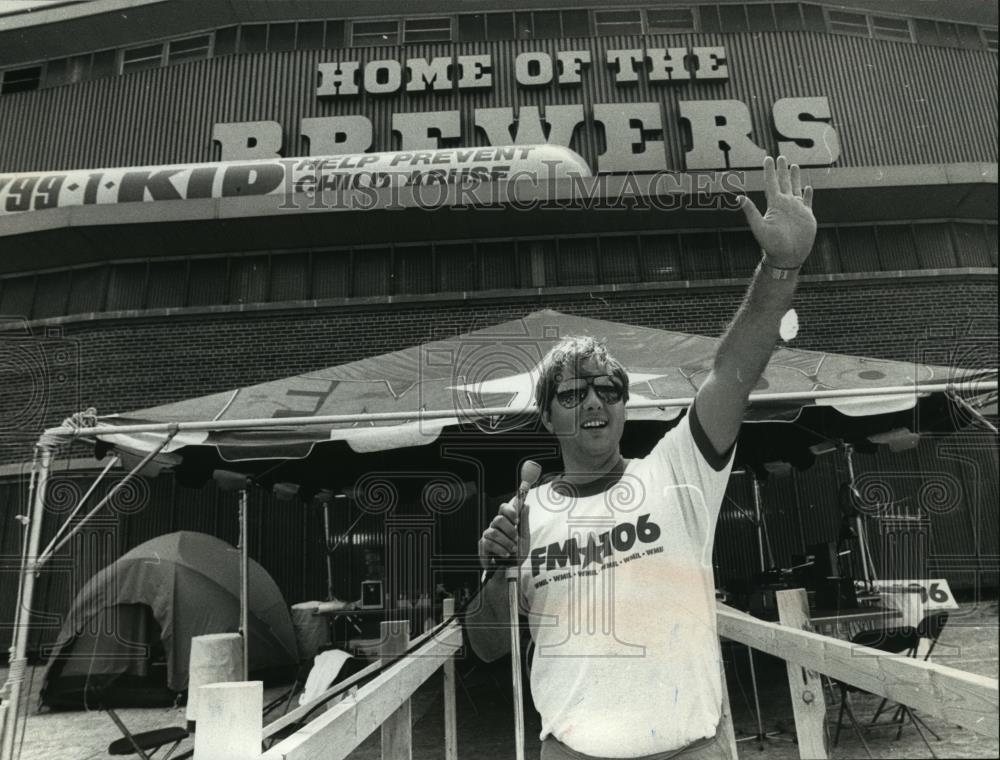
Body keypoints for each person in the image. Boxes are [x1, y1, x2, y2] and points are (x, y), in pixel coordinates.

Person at [467, 156, 817, 760]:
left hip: (691, 748)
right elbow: (489, 643)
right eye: (573, 394)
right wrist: (500, 568)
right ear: (547, 416)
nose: (595, 402)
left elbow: (731, 374)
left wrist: (779, 268)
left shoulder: (679, 471)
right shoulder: (529, 512)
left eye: (609, 390)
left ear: (626, 407)